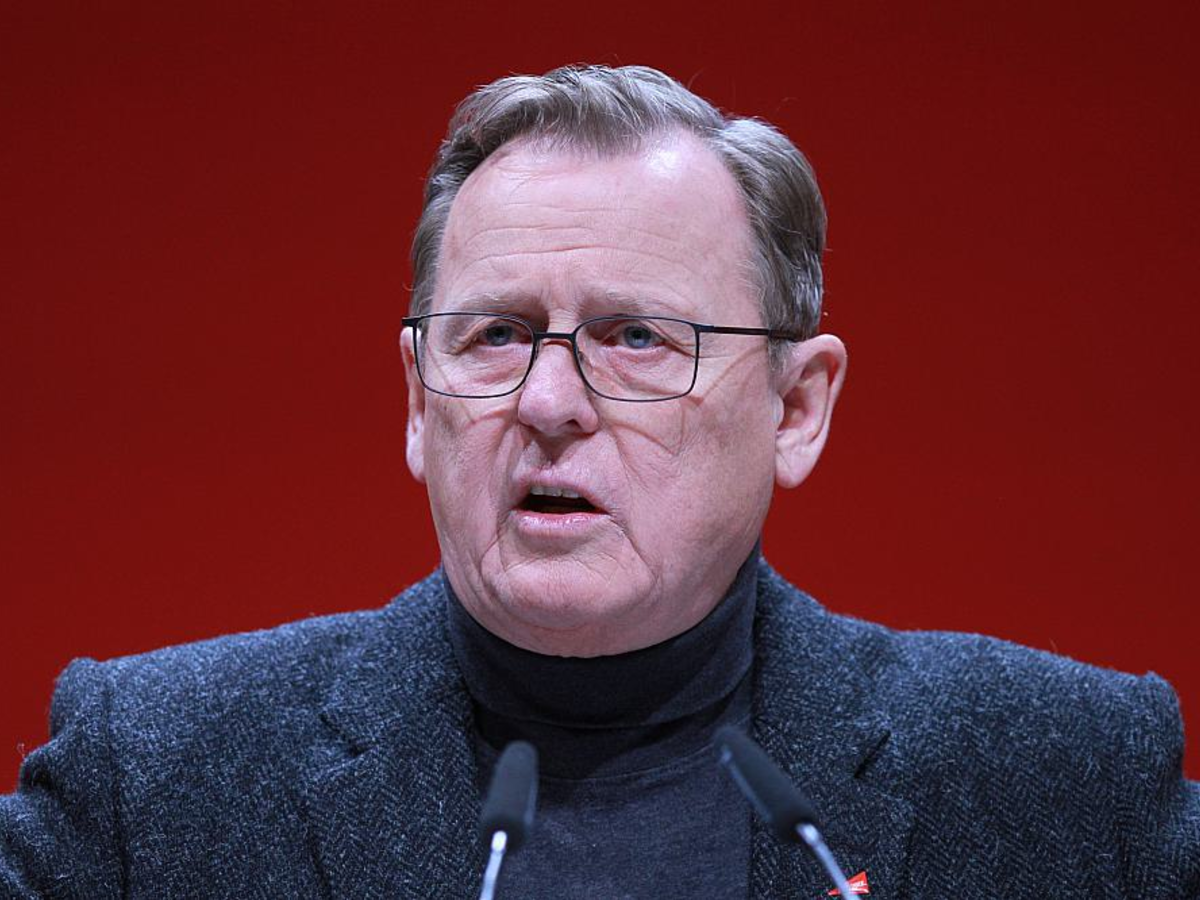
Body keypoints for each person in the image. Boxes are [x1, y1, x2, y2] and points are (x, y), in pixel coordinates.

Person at [1, 64, 1196, 900]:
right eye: (495, 336)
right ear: (418, 400)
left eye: (636, 338)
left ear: (795, 408)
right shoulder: (153, 782)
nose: (549, 402)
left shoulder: (1061, 782)